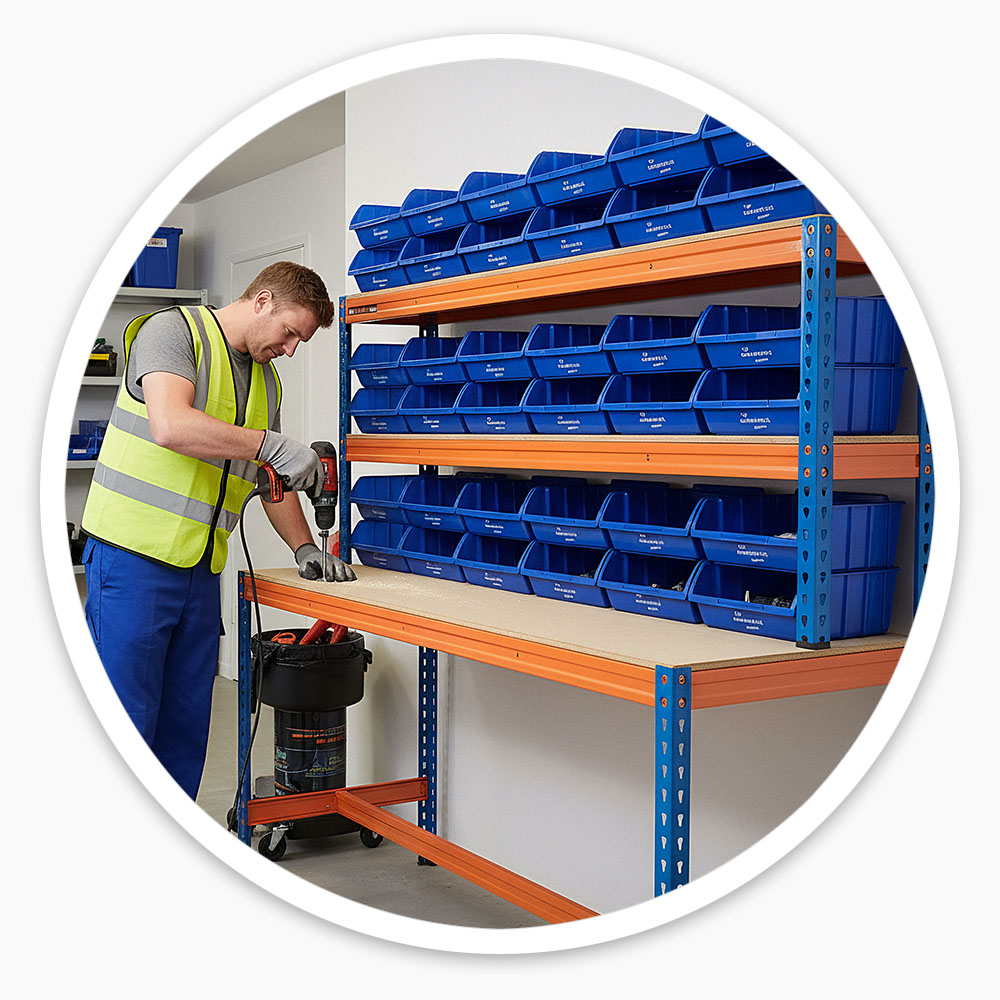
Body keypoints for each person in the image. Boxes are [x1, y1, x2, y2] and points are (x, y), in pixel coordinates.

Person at [81, 261, 355, 799]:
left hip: (201, 572)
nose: (291, 349)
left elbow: (267, 478)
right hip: (132, 560)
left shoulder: (264, 381)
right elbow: (170, 425)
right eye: (290, 332)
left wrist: (304, 547)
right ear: (262, 302)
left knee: (185, 732)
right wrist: (269, 445)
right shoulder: (173, 333)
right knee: (126, 725)